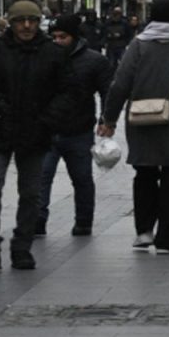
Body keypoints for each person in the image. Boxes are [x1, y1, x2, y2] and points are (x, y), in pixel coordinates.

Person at [0, 0, 74, 271]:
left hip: (34, 132)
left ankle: (22, 247)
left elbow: (68, 92)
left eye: (32, 20)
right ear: (10, 23)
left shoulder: (53, 53)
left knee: (31, 192)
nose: (26, 26)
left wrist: (48, 120)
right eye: (20, 21)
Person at [98, 0, 169, 254]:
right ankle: (167, 239)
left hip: (142, 118)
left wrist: (108, 120)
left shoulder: (138, 46)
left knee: (144, 174)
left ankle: (144, 231)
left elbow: (120, 84)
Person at [36, 14, 113, 237]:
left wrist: (107, 120)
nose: (57, 41)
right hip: (46, 130)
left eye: (63, 36)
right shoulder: (42, 58)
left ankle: (83, 222)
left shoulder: (94, 61)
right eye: (54, 37)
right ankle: (38, 221)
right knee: (41, 178)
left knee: (82, 179)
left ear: (74, 36)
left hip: (78, 130)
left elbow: (108, 90)